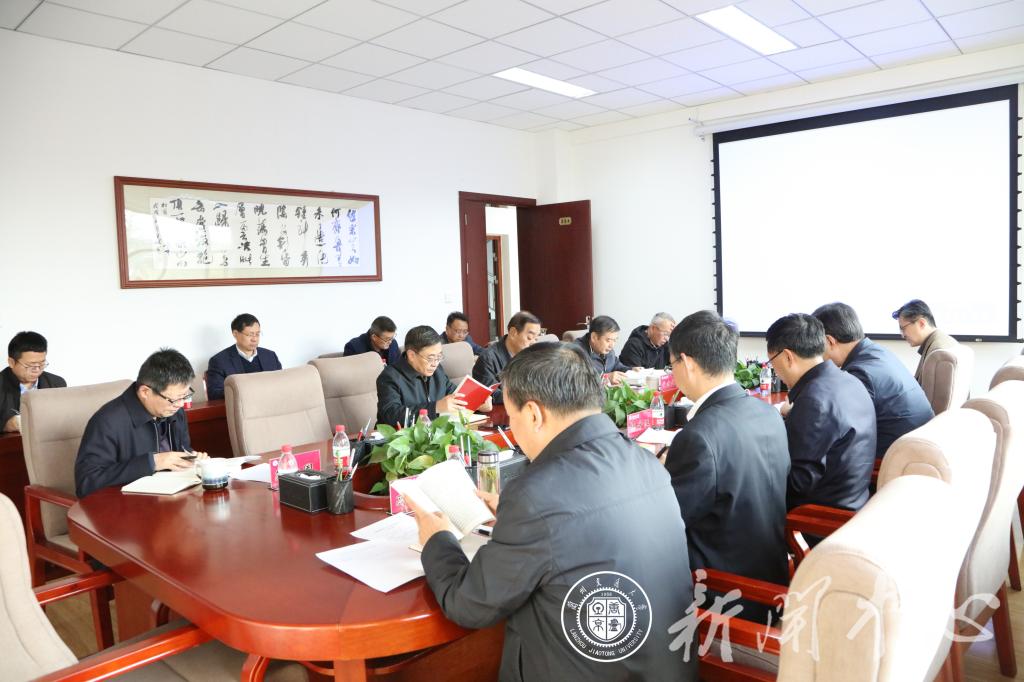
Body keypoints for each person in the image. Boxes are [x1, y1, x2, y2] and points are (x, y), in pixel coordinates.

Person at [405, 342, 696, 681]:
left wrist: (438, 539)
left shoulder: (536, 496)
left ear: (533, 414)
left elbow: (469, 604)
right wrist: (521, 517)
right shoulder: (645, 460)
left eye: (511, 417)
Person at [664, 311, 790, 619]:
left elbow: (668, 523)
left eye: (672, 364)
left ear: (687, 362)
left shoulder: (698, 437)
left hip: (723, 594)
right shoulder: (768, 414)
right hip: (771, 576)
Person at [766, 314, 875, 512]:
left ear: (788, 357)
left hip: (824, 517)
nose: (775, 371)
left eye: (772, 362)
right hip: (855, 501)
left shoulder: (813, 401)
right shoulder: (849, 380)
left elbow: (797, 484)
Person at [75, 349, 207, 498]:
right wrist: (152, 462)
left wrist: (192, 459)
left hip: (172, 499)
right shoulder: (108, 421)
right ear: (145, 392)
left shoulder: (174, 411)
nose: (181, 404)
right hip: (128, 505)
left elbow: (182, 450)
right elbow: (86, 483)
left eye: (185, 396)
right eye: (175, 399)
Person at [814, 302, 933, 459]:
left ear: (829, 341)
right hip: (918, 445)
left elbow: (837, 428)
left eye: (816, 345)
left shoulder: (859, 373)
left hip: (895, 457)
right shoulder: (877, 352)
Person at [377, 326, 490, 427]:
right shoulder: (390, 377)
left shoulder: (437, 371)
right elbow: (391, 415)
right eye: (430, 358)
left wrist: (477, 402)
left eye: (439, 357)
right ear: (411, 355)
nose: (435, 364)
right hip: (399, 439)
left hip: (435, 434)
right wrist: (436, 407)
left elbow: (455, 394)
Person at [205, 313, 283, 400]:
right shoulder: (219, 361)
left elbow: (282, 384)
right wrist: (248, 391)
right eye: (250, 335)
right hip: (242, 406)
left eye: (257, 334)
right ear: (235, 334)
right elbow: (214, 394)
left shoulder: (270, 356)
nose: (254, 339)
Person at [1, 331, 67, 433]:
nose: (37, 370)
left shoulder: (57, 383)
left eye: (41, 364)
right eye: (30, 365)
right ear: (12, 362)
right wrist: (6, 425)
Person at [472, 311, 541, 404]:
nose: (533, 343)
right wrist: (526, 396)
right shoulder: (488, 358)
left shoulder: (531, 355)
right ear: (513, 333)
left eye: (536, 339)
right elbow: (491, 395)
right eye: (529, 337)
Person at [892, 299, 958, 384]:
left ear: (921, 323)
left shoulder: (937, 353)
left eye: (903, 328)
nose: (902, 335)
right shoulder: (945, 341)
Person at [576, 315, 636, 385]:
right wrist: (604, 378)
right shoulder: (575, 353)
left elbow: (616, 365)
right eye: (608, 340)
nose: (612, 345)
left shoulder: (607, 349)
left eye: (615, 340)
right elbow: (576, 381)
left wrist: (631, 370)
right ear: (594, 337)